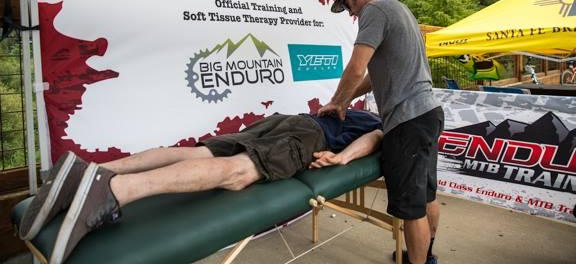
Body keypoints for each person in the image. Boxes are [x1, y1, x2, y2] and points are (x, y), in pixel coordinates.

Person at [18, 109, 384, 264]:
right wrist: (342, 159)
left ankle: (93, 171)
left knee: (198, 153)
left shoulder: (347, 107)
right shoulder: (380, 121)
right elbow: (372, 141)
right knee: (241, 172)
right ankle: (113, 192)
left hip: (285, 119)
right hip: (309, 134)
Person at [319, 0, 444, 264]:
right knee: (426, 195)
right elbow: (376, 77)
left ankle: (418, 260)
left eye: (348, 7)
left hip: (408, 122)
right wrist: (346, 100)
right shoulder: (400, 9)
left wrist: (337, 101)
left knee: (411, 209)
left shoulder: (373, 10)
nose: (351, 14)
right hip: (428, 114)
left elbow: (356, 67)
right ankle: (426, 254)